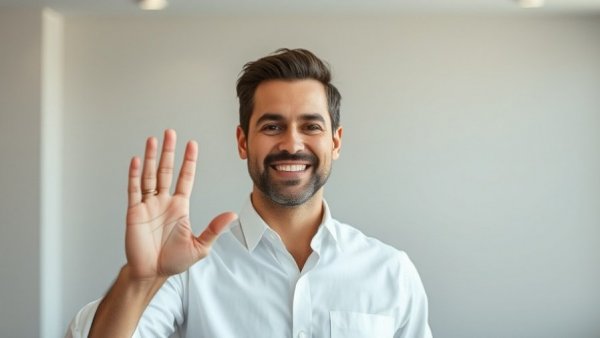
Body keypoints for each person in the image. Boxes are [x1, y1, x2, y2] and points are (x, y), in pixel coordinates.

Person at [66, 48, 432, 338]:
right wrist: (139, 278)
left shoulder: (391, 271)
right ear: (243, 142)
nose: (292, 143)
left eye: (311, 126)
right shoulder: (188, 270)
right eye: (272, 126)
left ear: (335, 142)